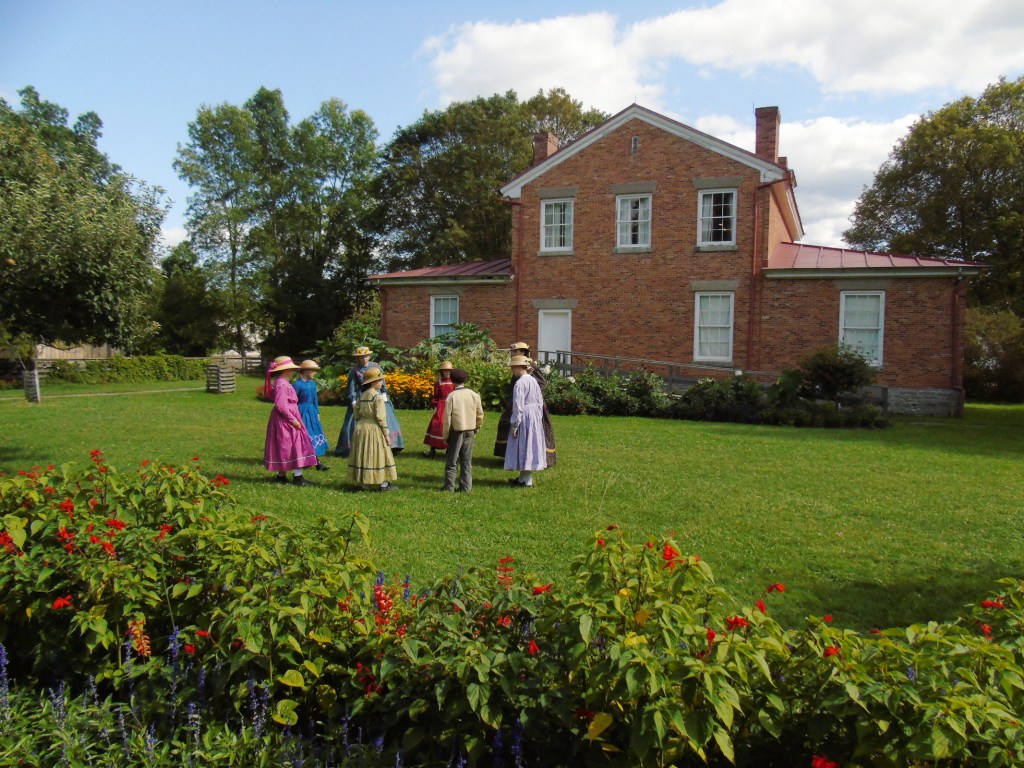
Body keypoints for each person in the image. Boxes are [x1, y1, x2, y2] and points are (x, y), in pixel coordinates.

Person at [334, 346, 405, 457]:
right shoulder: (355, 370)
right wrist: (353, 400)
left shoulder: (376, 366)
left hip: (378, 395)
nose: (364, 359)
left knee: (384, 417)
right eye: (361, 357)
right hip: (362, 397)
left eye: (366, 356)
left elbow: (381, 380)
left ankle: (391, 445)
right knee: (356, 420)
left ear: (369, 356)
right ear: (358, 358)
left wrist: (383, 393)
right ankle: (355, 448)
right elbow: (352, 385)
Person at [494, 342, 556, 466]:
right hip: (517, 400)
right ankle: (512, 455)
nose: (512, 354)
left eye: (515, 351)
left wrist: (529, 377)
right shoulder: (517, 366)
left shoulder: (530, 367)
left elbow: (542, 384)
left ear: (522, 352)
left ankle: (536, 458)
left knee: (532, 430)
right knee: (506, 424)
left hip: (530, 403)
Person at [263, 356, 319, 486]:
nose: (292, 371)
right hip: (286, 419)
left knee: (284, 445)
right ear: (286, 370)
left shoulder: (281, 382)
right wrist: (293, 420)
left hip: (284, 418)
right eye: (290, 369)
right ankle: (298, 477)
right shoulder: (282, 384)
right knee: (296, 444)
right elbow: (281, 405)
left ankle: (281, 475)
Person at [347, 366, 399, 491]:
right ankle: (383, 484)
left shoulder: (362, 396)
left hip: (361, 428)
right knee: (379, 453)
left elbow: (356, 414)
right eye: (380, 380)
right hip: (374, 428)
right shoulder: (377, 397)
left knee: (363, 453)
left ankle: (364, 483)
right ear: (373, 382)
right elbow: (381, 418)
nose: (382, 383)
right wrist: (386, 434)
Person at [504, 355, 548, 487]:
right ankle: (522, 479)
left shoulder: (520, 383)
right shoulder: (533, 380)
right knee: (529, 444)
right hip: (533, 415)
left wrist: (515, 425)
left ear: (519, 367)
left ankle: (527, 481)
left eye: (513, 367)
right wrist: (537, 417)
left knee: (525, 444)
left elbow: (518, 406)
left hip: (525, 415)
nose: (512, 370)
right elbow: (540, 402)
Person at [441, 369, 484, 492]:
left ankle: (449, 487)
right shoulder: (473, 394)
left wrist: (445, 435)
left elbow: (447, 418)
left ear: (452, 380)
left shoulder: (452, 396)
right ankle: (466, 487)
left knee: (452, 460)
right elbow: (480, 414)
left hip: (456, 431)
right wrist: (476, 428)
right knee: (466, 460)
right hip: (470, 430)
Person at [294, 360, 330, 471]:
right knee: (306, 435)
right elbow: (293, 401)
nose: (315, 373)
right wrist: (295, 414)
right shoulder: (297, 385)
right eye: (313, 370)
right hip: (302, 412)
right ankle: (304, 460)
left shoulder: (313, 384)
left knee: (314, 433)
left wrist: (317, 412)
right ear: (306, 371)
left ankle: (317, 461)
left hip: (312, 412)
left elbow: (315, 400)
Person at [423, 361, 455, 457]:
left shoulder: (454, 382)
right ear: (441, 371)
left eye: (449, 371)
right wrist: (435, 406)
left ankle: (449, 451)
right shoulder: (438, 383)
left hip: (451, 405)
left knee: (450, 426)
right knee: (436, 425)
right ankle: (432, 450)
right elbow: (436, 396)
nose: (447, 372)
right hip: (441, 406)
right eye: (445, 371)